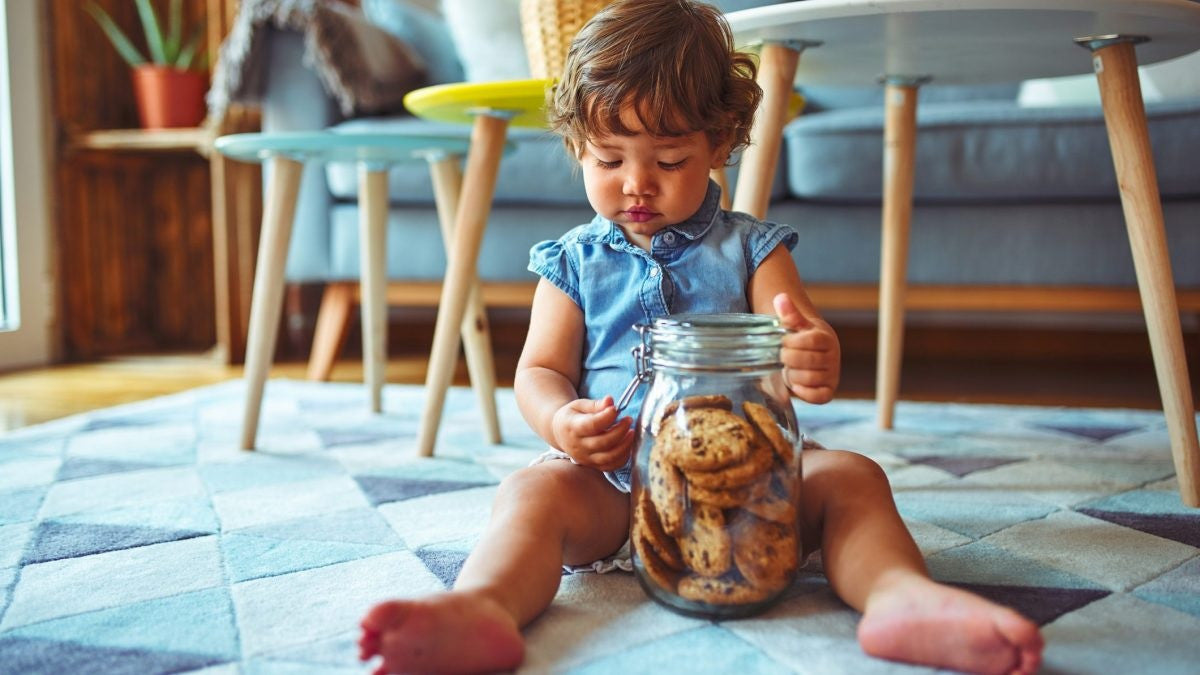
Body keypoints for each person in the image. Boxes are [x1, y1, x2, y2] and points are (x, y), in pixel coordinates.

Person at [359, 1, 1044, 673]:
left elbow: (801, 339)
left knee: (854, 479)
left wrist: (813, 355)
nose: (637, 183)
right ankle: (484, 605)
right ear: (576, 146)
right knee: (529, 495)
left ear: (719, 144)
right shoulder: (571, 262)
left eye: (669, 158)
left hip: (754, 492)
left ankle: (901, 596)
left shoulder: (752, 248)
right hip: (612, 490)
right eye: (609, 159)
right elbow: (540, 370)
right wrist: (562, 421)